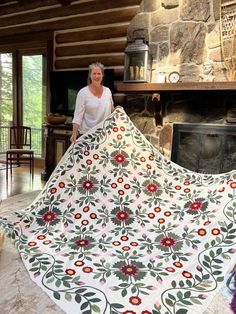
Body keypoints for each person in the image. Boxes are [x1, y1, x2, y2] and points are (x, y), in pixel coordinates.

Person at [70, 62, 114, 143]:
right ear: (90, 75)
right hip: (87, 135)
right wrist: (74, 133)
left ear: (102, 75)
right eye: (94, 73)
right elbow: (78, 116)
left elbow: (111, 111)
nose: (96, 76)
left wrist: (118, 110)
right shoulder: (83, 93)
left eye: (99, 73)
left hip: (104, 135)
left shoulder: (108, 91)